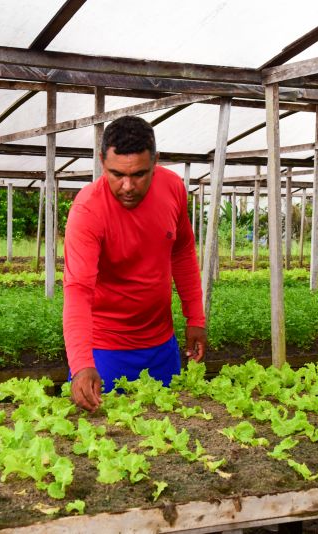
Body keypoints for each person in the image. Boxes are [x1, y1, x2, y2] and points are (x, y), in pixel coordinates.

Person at [63, 115, 207, 412]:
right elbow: (78, 289)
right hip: (105, 349)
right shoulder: (88, 210)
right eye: (117, 174)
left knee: (170, 441)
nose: (127, 186)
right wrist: (81, 363)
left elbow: (182, 251)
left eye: (140, 174)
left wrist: (195, 318)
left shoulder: (172, 188)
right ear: (102, 161)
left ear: (156, 161)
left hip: (162, 346)